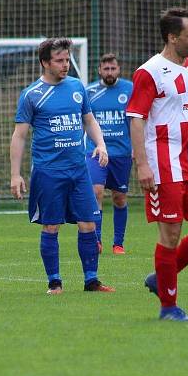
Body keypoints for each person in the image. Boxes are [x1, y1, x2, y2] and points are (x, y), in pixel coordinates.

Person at [127, 8, 188, 322]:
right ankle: (168, 308)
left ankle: (160, 277)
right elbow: (137, 120)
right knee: (169, 235)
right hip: (163, 165)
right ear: (172, 37)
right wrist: (142, 166)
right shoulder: (149, 72)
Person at [10, 37, 116, 295]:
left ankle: (91, 280)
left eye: (67, 59)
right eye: (59, 60)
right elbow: (20, 135)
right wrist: (15, 174)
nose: (65, 64)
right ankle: (54, 282)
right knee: (51, 226)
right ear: (45, 62)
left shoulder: (76, 87)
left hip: (78, 170)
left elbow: (89, 120)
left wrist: (100, 145)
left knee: (89, 224)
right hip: (48, 172)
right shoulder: (32, 94)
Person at [84, 53, 134, 255]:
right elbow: (85, 121)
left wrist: (136, 148)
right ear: (99, 70)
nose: (110, 72)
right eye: (106, 69)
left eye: (113, 68)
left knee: (119, 198)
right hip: (96, 151)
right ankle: (96, 241)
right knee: (96, 192)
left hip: (121, 153)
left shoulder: (130, 89)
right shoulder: (89, 92)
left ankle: (118, 243)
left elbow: (136, 120)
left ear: (119, 69)